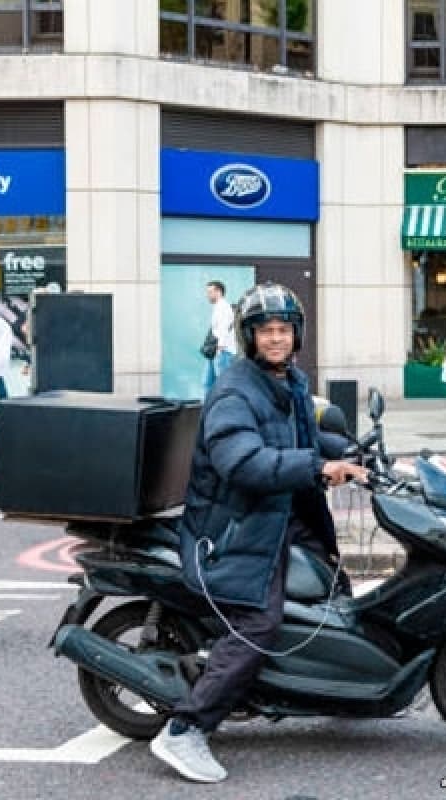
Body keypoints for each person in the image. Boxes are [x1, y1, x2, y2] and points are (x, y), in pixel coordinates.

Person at [150, 283, 368, 784]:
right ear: (250, 338)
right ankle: (186, 730)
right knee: (259, 624)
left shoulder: (288, 380)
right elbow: (241, 461)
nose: (276, 338)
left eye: (283, 330)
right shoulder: (233, 392)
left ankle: (328, 686)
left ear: (296, 335)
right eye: (266, 331)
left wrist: (355, 452)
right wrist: (317, 467)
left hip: (277, 513)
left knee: (331, 581)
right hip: (234, 526)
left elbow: (304, 437)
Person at [203, 281, 237, 394]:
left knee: (222, 384)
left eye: (210, 292)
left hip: (222, 352)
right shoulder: (219, 307)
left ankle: (222, 409)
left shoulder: (223, 307)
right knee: (208, 383)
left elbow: (223, 328)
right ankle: (210, 408)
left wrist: (219, 349)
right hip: (217, 352)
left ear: (218, 292)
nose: (207, 295)